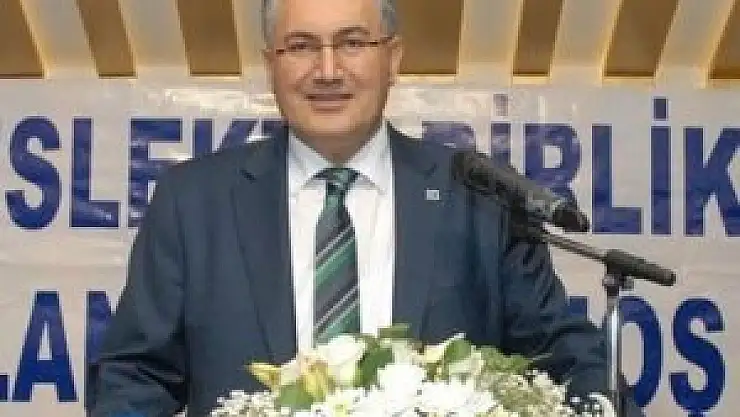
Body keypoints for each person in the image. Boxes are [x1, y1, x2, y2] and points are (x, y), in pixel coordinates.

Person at [87, 0, 644, 415]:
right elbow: (134, 377)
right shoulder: (192, 202)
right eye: (301, 46)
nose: (328, 70)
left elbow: (562, 357)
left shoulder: (476, 198)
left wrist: (596, 402)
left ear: (392, 58)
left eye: (352, 43)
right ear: (270, 64)